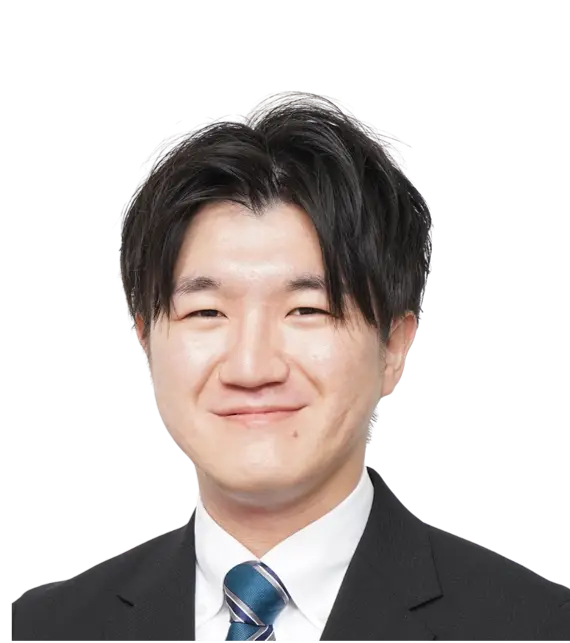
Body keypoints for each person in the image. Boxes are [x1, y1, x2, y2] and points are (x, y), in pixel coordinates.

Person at [8, 90, 569, 642]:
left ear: (394, 348)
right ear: (146, 342)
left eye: (307, 310)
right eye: (207, 312)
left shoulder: (537, 628)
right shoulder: (39, 630)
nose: (251, 367)